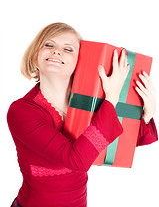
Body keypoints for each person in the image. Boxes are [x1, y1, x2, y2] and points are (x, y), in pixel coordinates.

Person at [8, 22, 158, 207]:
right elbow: (77, 160)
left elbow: (120, 141)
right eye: (49, 45)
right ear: (35, 55)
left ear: (80, 61)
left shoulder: (88, 102)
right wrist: (111, 99)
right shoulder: (22, 111)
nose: (56, 51)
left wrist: (147, 115)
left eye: (68, 49)